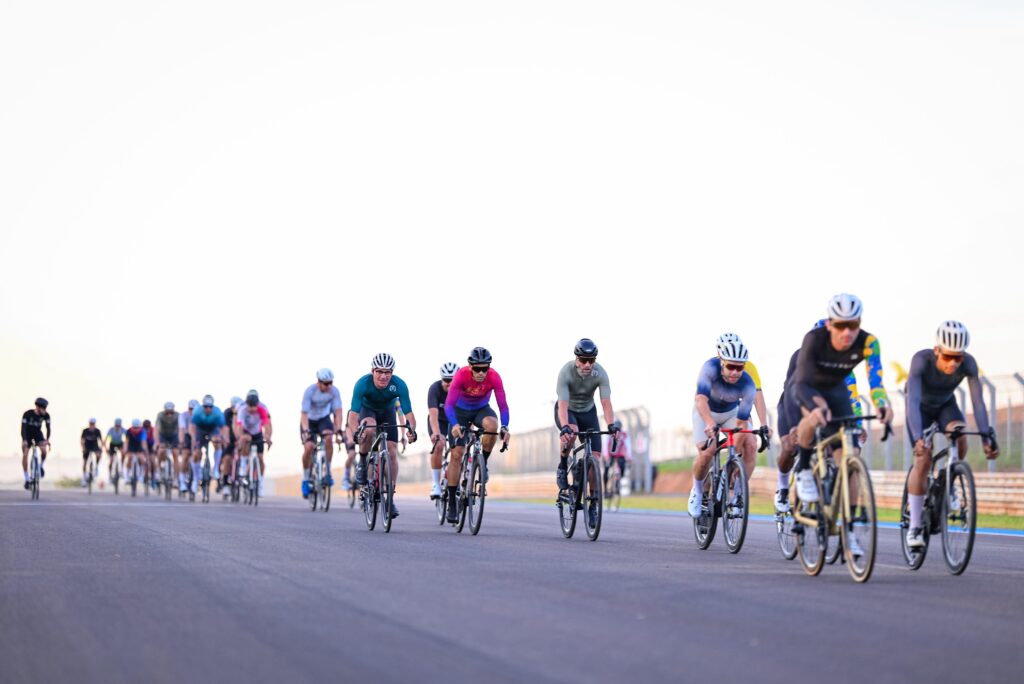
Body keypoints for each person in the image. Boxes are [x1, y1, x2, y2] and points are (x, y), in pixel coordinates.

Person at [784, 294, 893, 555]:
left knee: (850, 458)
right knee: (812, 416)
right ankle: (804, 469)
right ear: (830, 324)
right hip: (808, 387)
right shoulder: (814, 339)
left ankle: (849, 530)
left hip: (837, 392)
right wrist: (814, 407)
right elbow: (801, 383)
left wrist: (881, 404)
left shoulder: (869, 342)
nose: (847, 332)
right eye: (841, 326)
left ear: (859, 323)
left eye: (853, 325)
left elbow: (875, 382)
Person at [904, 321, 998, 548]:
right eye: (948, 357)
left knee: (960, 434)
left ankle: (949, 479)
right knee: (923, 459)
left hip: (945, 406)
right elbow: (912, 401)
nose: (953, 363)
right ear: (937, 350)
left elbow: (977, 402)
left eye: (958, 357)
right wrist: (918, 438)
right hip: (919, 409)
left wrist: (986, 438)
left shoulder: (969, 364)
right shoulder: (921, 361)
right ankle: (914, 526)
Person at [773, 320, 863, 513]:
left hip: (827, 406)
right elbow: (792, 392)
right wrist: (793, 426)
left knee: (841, 446)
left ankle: (833, 496)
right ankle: (782, 486)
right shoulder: (800, 358)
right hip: (794, 403)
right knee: (790, 446)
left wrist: (858, 424)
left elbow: (852, 398)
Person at [687, 337, 757, 517]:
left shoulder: (748, 384)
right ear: (722, 362)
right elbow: (700, 400)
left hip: (730, 413)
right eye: (730, 367)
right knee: (707, 453)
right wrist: (710, 422)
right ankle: (697, 491)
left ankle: (738, 496)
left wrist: (734, 452)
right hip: (705, 411)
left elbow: (741, 422)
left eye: (739, 368)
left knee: (750, 444)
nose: (734, 372)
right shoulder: (709, 368)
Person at [442, 347, 509, 523]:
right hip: (459, 412)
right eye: (477, 369)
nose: (481, 373)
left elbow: (503, 405)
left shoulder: (494, 377)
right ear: (470, 366)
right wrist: (455, 424)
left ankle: (482, 463)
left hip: (481, 409)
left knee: (492, 425)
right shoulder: (461, 375)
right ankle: (452, 501)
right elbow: (448, 405)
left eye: (484, 369)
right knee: (457, 454)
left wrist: (505, 427)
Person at [348, 353, 418, 519]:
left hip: (387, 412)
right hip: (367, 410)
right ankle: (363, 461)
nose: (383, 376)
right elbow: (353, 415)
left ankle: (390, 498)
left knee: (392, 450)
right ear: (372, 371)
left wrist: (412, 430)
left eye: (388, 372)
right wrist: (356, 432)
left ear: (392, 373)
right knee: (369, 428)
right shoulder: (362, 384)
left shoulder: (399, 385)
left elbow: (408, 413)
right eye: (379, 371)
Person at [554, 339, 620, 508]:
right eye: (583, 360)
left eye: (591, 360)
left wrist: (611, 425)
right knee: (571, 432)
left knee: (595, 458)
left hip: (588, 412)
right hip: (568, 411)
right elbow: (562, 405)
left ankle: (593, 504)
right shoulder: (566, 372)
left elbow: (606, 402)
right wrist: (565, 427)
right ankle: (563, 466)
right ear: (577, 359)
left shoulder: (600, 373)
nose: (587, 364)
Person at [300, 368, 345, 499]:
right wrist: (306, 430)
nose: (329, 386)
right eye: (326, 383)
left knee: (329, 438)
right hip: (309, 421)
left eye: (331, 383)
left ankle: (328, 472)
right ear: (318, 382)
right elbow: (304, 414)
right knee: (309, 447)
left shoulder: (334, 391)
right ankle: (306, 479)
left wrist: (338, 429)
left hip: (324, 419)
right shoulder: (310, 391)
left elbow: (338, 412)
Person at [426, 362, 459, 499]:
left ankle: (456, 482)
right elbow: (433, 415)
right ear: (441, 379)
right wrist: (436, 433)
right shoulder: (434, 389)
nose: (449, 384)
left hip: (455, 422)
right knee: (438, 445)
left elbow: (469, 413)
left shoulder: (463, 390)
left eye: (453, 380)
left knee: (459, 451)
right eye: (446, 380)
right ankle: (436, 484)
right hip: (439, 421)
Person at [236, 390, 273, 496]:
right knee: (245, 442)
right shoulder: (242, 410)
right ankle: (243, 465)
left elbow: (267, 425)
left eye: (254, 407)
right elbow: (239, 426)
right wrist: (241, 436)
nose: (252, 409)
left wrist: (268, 436)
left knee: (260, 458)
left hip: (257, 433)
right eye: (250, 406)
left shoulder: (262, 409)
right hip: (246, 431)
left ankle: (260, 483)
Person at [189, 395, 227, 495]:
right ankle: (196, 479)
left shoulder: (217, 412)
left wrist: (223, 438)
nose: (208, 409)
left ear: (212, 406)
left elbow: (223, 427)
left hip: (213, 430)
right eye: (206, 407)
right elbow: (192, 426)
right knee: (196, 453)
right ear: (203, 406)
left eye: (210, 407)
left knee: (217, 442)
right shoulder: (197, 411)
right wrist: (193, 438)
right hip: (200, 430)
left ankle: (215, 469)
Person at [21, 398, 51, 488]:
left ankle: (41, 465)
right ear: (37, 407)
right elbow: (23, 428)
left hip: (38, 434)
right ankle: (27, 478)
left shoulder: (46, 415)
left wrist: (47, 440)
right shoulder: (27, 414)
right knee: (25, 454)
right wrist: (24, 440)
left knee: (44, 450)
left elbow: (48, 428)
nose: (45, 410)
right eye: (43, 408)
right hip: (27, 435)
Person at [155, 402, 180, 488]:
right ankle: (158, 471)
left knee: (175, 454)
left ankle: (176, 478)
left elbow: (181, 428)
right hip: (163, 435)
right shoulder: (160, 415)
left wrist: (181, 441)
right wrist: (157, 442)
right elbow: (156, 429)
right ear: (164, 411)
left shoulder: (178, 415)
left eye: (171, 412)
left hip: (174, 435)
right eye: (167, 412)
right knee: (161, 451)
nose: (169, 414)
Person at [177, 400, 198, 493]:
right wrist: (181, 442)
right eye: (190, 409)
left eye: (195, 410)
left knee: (197, 454)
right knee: (185, 455)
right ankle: (182, 481)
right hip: (186, 435)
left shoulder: (200, 416)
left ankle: (197, 477)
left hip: (197, 435)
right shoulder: (183, 415)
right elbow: (181, 429)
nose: (192, 411)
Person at [81, 417, 103, 486]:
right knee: (85, 462)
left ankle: (96, 467)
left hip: (94, 445)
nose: (92, 425)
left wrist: (101, 448)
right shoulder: (85, 431)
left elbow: (101, 440)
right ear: (89, 424)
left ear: (95, 424)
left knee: (98, 454)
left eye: (93, 424)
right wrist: (83, 448)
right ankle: (84, 476)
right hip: (87, 446)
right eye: (91, 424)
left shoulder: (97, 431)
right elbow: (82, 440)